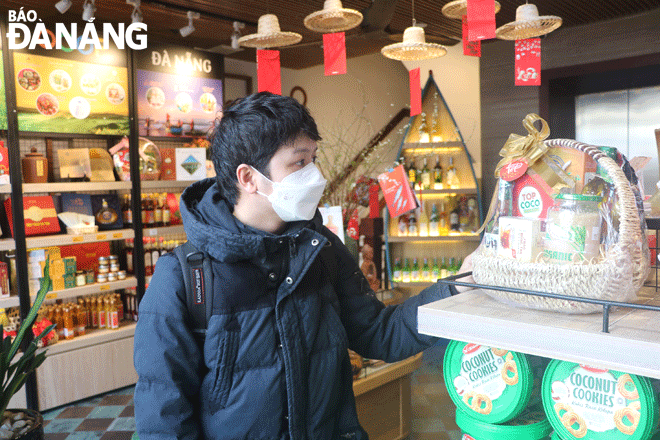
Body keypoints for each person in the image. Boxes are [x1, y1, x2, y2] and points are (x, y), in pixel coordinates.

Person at [133, 92, 474, 440]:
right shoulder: (184, 278)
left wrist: (458, 288)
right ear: (248, 178)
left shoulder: (321, 248)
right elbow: (163, 420)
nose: (315, 175)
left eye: (314, 159)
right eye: (299, 163)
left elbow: (380, 333)